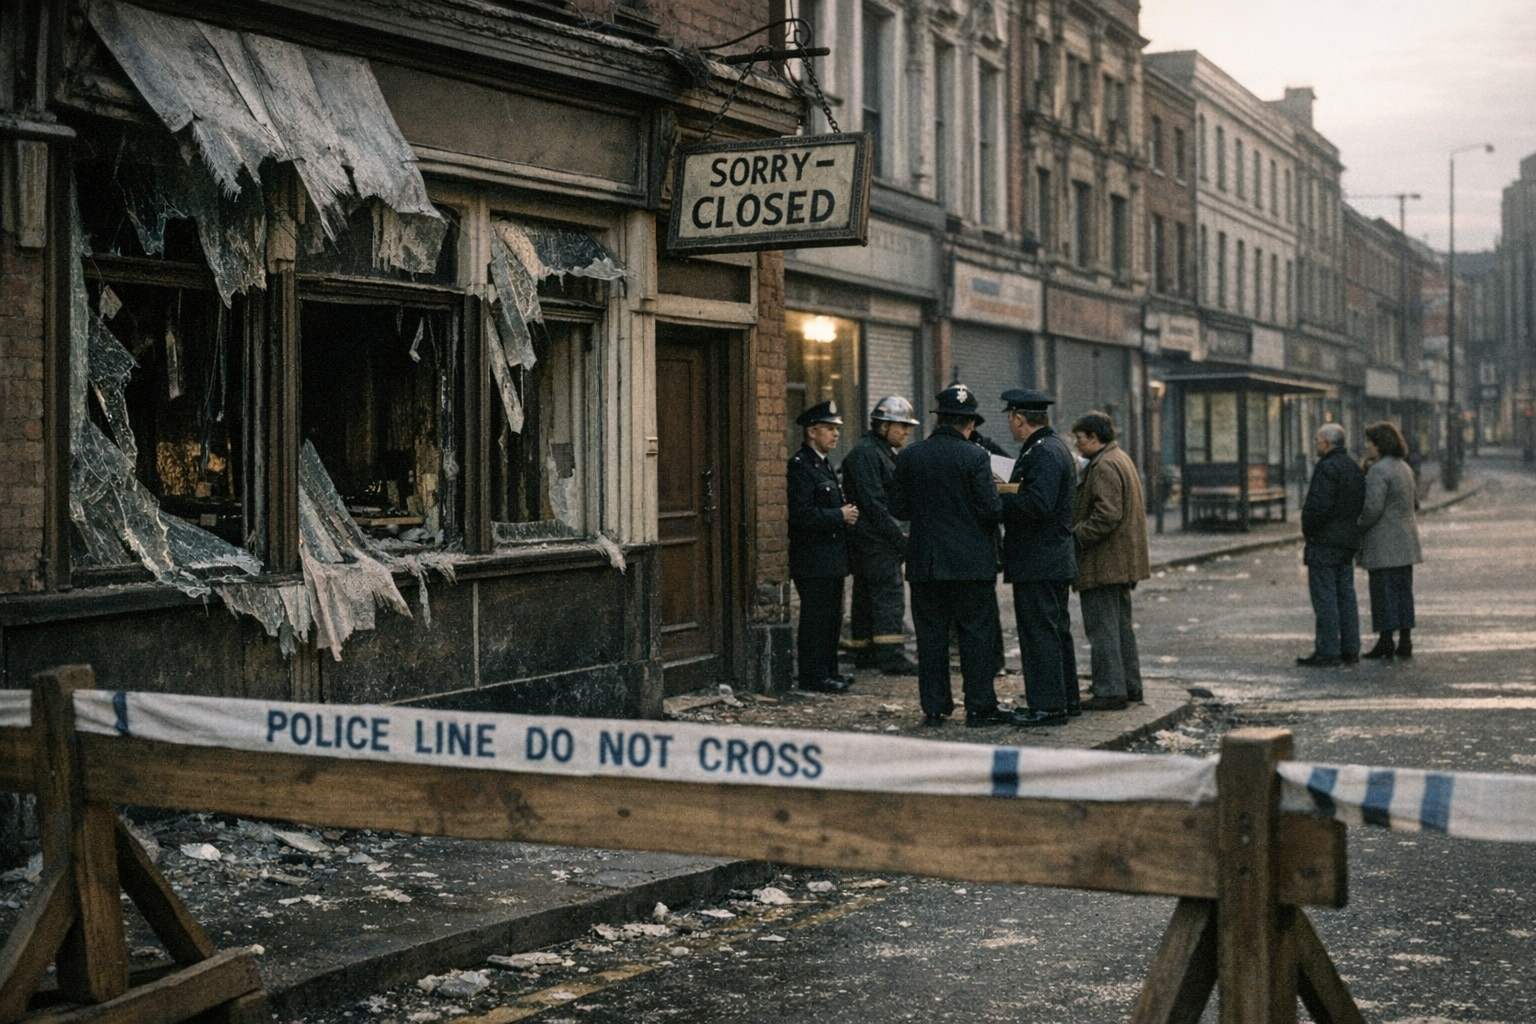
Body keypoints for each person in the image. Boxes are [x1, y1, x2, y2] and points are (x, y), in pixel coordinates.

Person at [889, 384, 1010, 728]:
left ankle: (934, 706)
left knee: (931, 638)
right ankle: (980, 706)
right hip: (972, 564)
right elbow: (990, 509)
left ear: (938, 418)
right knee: (976, 637)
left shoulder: (910, 456)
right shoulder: (976, 457)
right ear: (970, 423)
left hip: (926, 563)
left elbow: (897, 506)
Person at [997, 389, 1079, 726]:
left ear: (1018, 418)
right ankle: (1066, 700)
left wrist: (997, 499)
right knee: (1056, 631)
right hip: (1051, 558)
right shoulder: (1050, 447)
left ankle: (1047, 706)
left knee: (1039, 634)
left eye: (1010, 418)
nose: (1010, 424)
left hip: (1038, 560)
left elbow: (1037, 505)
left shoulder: (1043, 453)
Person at [1070, 411, 1150, 710]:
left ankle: (1109, 690)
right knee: (1120, 627)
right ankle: (1130, 686)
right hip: (1121, 561)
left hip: (1104, 562)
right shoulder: (1120, 458)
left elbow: (1107, 514)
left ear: (1094, 437)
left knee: (1102, 628)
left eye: (1080, 439)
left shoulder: (1103, 465)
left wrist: (1076, 535)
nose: (1077, 445)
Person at [841, 396, 921, 675]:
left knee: (866, 595)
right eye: (902, 426)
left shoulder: (879, 451)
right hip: (874, 540)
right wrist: (900, 538)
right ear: (884, 425)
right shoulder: (867, 454)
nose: (907, 432)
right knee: (889, 593)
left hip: (872, 539)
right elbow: (874, 504)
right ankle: (891, 654)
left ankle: (866, 651)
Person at [788, 400, 859, 693]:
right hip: (813, 557)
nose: (836, 434)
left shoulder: (824, 464)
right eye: (829, 429)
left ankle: (829, 671)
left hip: (830, 557)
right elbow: (801, 515)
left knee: (831, 617)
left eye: (836, 429)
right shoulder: (801, 466)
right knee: (816, 618)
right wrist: (839, 515)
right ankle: (813, 676)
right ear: (811, 432)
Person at [1297, 422, 1366, 667]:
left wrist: (1309, 529)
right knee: (1345, 595)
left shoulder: (1326, 468)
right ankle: (1350, 647)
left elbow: (1319, 506)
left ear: (1327, 443)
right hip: (1347, 540)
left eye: (1317, 441)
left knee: (1325, 597)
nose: (1315, 445)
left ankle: (1328, 649)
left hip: (1325, 541)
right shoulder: (1353, 467)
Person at [1359, 421, 1422, 660]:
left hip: (1383, 543)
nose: (1366, 446)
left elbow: (1372, 508)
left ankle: (1386, 641)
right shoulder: (1404, 468)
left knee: (1383, 592)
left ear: (1379, 444)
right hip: (1406, 542)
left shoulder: (1378, 470)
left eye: (1369, 442)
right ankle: (1405, 641)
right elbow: (1415, 502)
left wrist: (1358, 525)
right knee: (1403, 592)